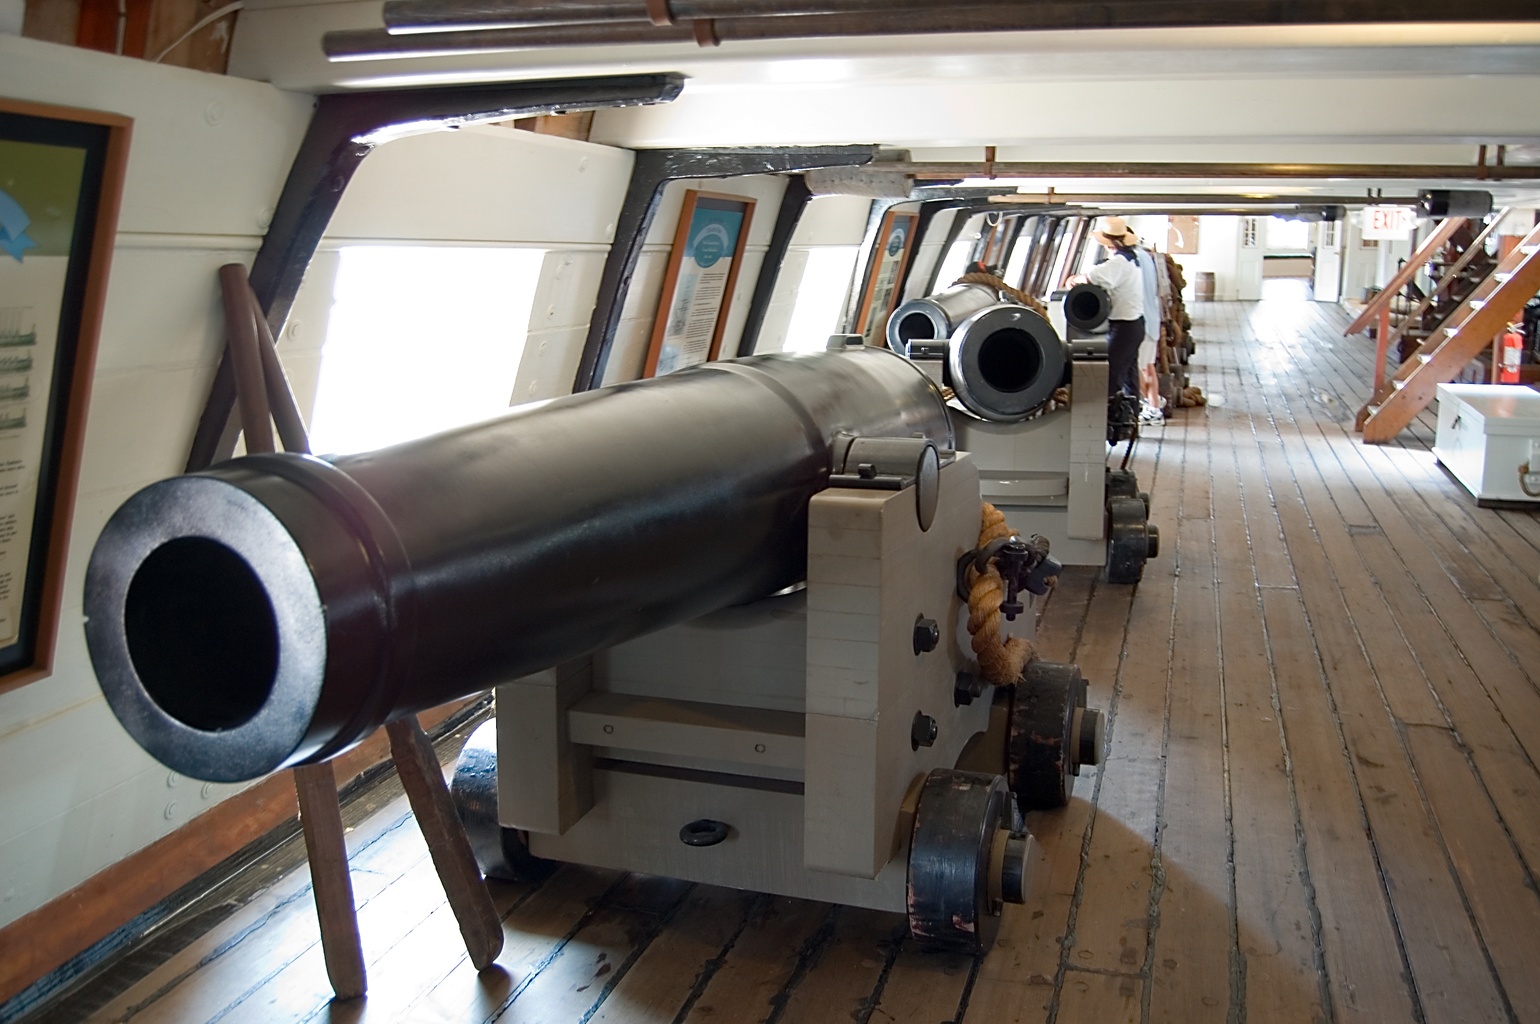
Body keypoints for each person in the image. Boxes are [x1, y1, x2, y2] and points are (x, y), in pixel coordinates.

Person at [1068, 216, 1145, 397]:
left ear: (1109, 244)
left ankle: (1106, 415)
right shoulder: (1132, 259)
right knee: (1129, 375)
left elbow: (1093, 277)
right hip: (1135, 325)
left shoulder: (1119, 263)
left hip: (1125, 326)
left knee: (1112, 372)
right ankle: (1129, 418)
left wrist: (1073, 279)